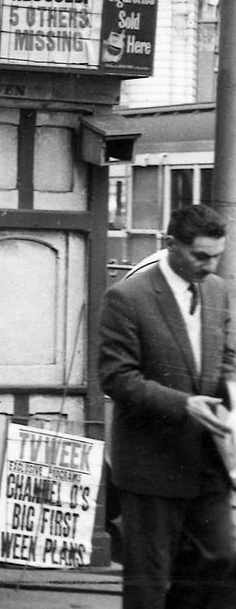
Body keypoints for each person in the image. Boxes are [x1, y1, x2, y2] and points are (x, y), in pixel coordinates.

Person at [100, 204, 236, 608]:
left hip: (208, 460)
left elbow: (226, 357)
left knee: (223, 559)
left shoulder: (217, 290)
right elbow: (117, 378)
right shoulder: (127, 297)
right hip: (151, 466)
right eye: (200, 255)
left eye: (217, 255)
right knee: (149, 581)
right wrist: (185, 405)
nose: (210, 265)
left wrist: (229, 398)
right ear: (170, 245)